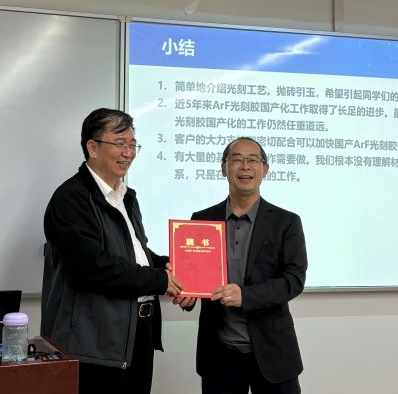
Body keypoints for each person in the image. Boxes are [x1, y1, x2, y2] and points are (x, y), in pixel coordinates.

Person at [40, 107, 182, 394]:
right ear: (92, 147)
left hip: (137, 332)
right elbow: (92, 266)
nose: (128, 153)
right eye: (119, 144)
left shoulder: (126, 197)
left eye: (132, 145)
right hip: (93, 340)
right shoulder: (71, 199)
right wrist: (159, 280)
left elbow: (133, 251)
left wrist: (170, 267)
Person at [174, 136, 307, 394]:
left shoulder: (286, 222)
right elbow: (193, 277)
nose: (245, 166)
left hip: (273, 351)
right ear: (224, 168)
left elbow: (294, 280)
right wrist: (187, 295)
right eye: (236, 159)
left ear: (265, 169)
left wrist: (245, 296)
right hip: (219, 353)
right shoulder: (202, 220)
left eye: (252, 160)